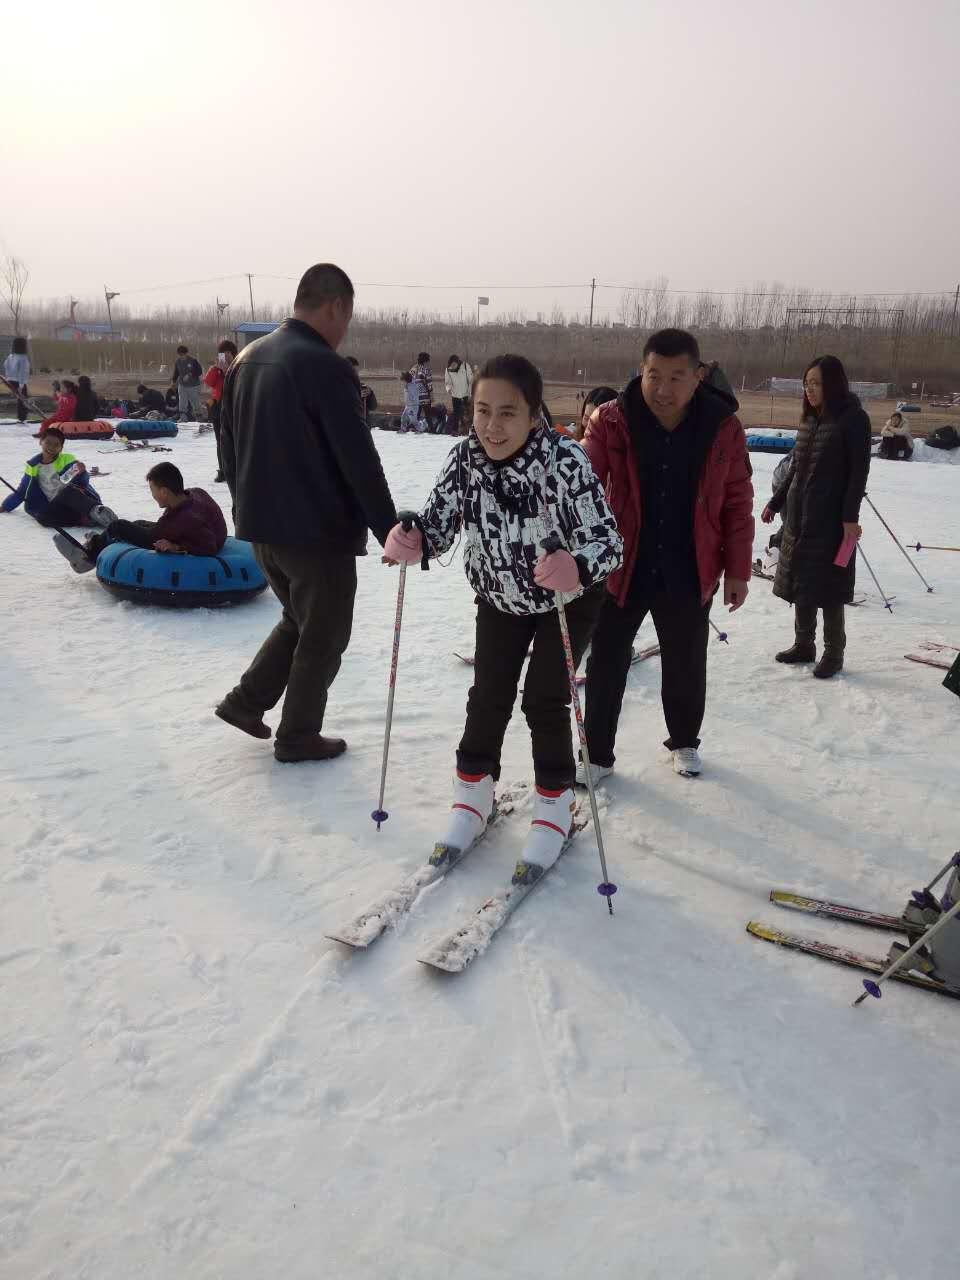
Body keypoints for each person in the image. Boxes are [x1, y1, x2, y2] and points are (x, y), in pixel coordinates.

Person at [383, 354, 622, 876]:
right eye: (484, 410)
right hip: (499, 595)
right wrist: (413, 536)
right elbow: (439, 523)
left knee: (545, 698)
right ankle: (473, 795)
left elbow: (608, 542)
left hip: (566, 599)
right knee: (488, 693)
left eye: (508, 413)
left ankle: (555, 804)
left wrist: (576, 566)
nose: (492, 426)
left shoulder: (565, 462)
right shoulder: (465, 457)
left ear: (534, 413)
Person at [216, 262, 397, 764]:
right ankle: (298, 736)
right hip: (316, 535)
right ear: (336, 306)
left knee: (299, 620)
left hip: (261, 529)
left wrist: (244, 505)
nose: (345, 331)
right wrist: (389, 530)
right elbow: (357, 458)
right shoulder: (324, 365)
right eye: (348, 317)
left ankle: (245, 702)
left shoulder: (248, 358)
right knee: (323, 633)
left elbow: (226, 447)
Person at [579, 329, 754, 782]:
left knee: (685, 663)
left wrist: (737, 570)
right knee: (606, 661)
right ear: (641, 370)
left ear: (698, 376)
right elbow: (579, 483)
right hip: (624, 564)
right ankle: (596, 754)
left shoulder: (722, 427)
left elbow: (737, 501)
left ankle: (684, 741)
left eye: (677, 377)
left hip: (689, 564)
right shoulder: (611, 421)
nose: (663, 389)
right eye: (654, 375)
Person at [762, 354, 871, 679]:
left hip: (831, 519)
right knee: (802, 583)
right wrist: (776, 500)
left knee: (830, 590)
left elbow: (858, 472)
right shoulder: (810, 419)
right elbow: (795, 465)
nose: (809, 390)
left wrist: (850, 517)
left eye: (816, 383)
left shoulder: (853, 419)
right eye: (806, 383)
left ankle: (833, 654)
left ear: (833, 384)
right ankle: (803, 645)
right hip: (799, 516)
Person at [53, 461, 227, 572]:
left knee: (118, 526)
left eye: (153, 490)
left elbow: (209, 546)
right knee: (137, 523)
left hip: (179, 537)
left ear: (165, 492)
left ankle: (85, 558)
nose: (152, 494)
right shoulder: (196, 493)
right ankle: (101, 540)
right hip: (183, 530)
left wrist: (176, 547)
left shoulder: (186, 519)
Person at [0, 427, 113, 528]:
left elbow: (82, 483)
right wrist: (5, 507)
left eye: (56, 445)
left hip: (80, 500)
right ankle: (84, 520)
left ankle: (97, 513)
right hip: (57, 505)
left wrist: (82, 473)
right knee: (43, 518)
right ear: (41, 442)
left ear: (61, 448)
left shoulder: (67, 460)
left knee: (67, 492)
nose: (51, 447)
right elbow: (22, 491)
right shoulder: (33, 466)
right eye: (48, 443)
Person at [203, 339, 238, 482]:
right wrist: (216, 369)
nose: (224, 356)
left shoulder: (239, 366)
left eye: (227, 353)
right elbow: (208, 382)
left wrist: (228, 370)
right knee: (221, 441)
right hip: (218, 407)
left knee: (236, 439)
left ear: (233, 354)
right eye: (222, 354)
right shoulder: (216, 370)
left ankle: (237, 469)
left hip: (234, 406)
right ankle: (223, 469)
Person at [3, 336, 31, 423]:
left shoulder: (11, 356)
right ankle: (22, 418)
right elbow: (23, 372)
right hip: (19, 381)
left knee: (20, 399)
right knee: (23, 400)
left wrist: (8, 377)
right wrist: (21, 385)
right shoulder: (23, 357)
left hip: (10, 380)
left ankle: (21, 418)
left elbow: (5, 365)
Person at [173, 344, 204, 421]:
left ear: (186, 353)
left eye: (183, 355)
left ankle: (199, 417)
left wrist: (190, 374)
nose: (181, 356)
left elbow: (199, 371)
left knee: (195, 401)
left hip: (193, 385)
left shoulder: (193, 361)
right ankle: (183, 418)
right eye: (180, 355)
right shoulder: (178, 362)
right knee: (182, 401)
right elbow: (176, 372)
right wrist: (173, 381)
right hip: (182, 385)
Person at [444, 355, 473, 435]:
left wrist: (470, 393)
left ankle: (469, 430)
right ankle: (455, 430)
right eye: (451, 365)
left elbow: (470, 380)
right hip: (455, 394)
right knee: (456, 413)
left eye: (454, 364)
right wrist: (448, 388)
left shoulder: (465, 366)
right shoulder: (448, 370)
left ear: (457, 362)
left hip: (465, 394)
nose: (453, 366)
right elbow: (447, 382)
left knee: (467, 412)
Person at [345, 356, 378, 424]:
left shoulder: (363, 387)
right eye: (353, 370)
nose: (355, 373)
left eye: (356, 371)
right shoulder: (338, 387)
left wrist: (370, 394)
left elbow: (373, 406)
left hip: (363, 428)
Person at [412, 351, 433, 429]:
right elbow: (429, 383)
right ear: (426, 361)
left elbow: (409, 380)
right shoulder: (426, 369)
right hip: (425, 396)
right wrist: (431, 394)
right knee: (428, 415)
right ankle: (431, 430)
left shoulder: (413, 368)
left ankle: (413, 429)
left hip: (415, 396)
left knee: (416, 414)